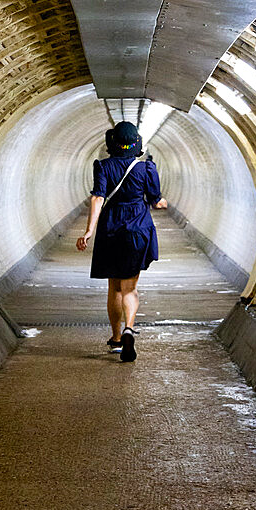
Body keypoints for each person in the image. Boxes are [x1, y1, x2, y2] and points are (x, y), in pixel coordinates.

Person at [76, 121, 167, 362]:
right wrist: (161, 203)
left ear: (112, 143)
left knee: (114, 287)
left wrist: (88, 231)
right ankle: (129, 328)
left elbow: (98, 197)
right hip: (137, 229)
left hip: (110, 230)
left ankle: (116, 339)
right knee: (130, 288)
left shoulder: (103, 166)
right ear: (137, 143)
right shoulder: (146, 168)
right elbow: (156, 200)